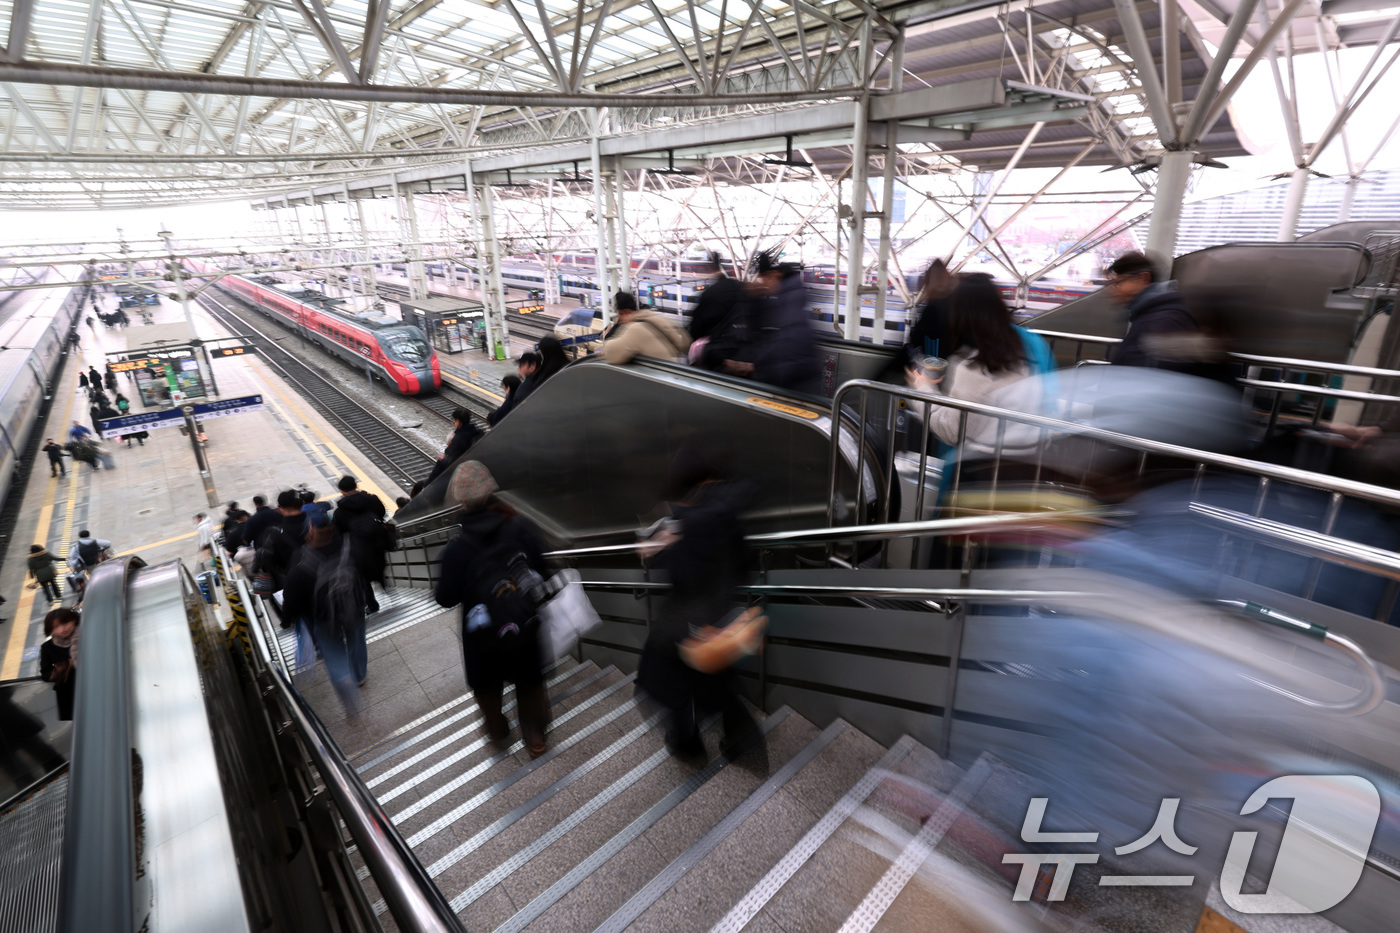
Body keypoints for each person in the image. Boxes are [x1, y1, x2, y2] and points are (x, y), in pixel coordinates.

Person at [636, 444, 762, 758]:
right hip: (722, 609)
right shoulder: (727, 506)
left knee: (664, 679)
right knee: (714, 677)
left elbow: (680, 573)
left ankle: (687, 744)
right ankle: (739, 739)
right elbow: (746, 561)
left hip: (687, 616)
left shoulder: (687, 521)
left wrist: (657, 550)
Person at [434, 461, 550, 757]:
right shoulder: (519, 526)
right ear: (491, 490)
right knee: (529, 682)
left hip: (482, 634)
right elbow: (545, 570)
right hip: (523, 625)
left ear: (461, 500)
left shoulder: (456, 549)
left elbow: (445, 598)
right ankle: (535, 736)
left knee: (487, 688)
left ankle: (497, 729)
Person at [905, 273, 1044, 456]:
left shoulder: (973, 368)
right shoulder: (1021, 355)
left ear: (961, 316)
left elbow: (950, 429)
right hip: (1022, 463)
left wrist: (922, 388)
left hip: (982, 470)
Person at [282, 508, 368, 715]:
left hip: (322, 616)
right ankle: (360, 675)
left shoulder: (301, 561)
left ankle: (345, 681)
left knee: (333, 652)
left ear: (310, 529)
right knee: (356, 639)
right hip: (353, 607)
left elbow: (291, 597)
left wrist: (287, 620)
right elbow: (368, 568)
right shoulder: (350, 546)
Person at [725, 250, 820, 394]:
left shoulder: (788, 303)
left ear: (775, 275)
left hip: (795, 387)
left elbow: (787, 347)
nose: (764, 284)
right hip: (795, 382)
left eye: (765, 279)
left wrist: (753, 366)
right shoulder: (787, 299)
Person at [1106, 251, 1198, 368]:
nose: (1114, 291)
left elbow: (1147, 377)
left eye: (1118, 283)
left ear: (1143, 278)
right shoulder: (1152, 314)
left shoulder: (1161, 322)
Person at [332, 475, 392, 613]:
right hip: (377, 541)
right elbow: (382, 513)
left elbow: (339, 533)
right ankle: (386, 588)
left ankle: (372, 605)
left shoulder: (340, 512)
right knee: (379, 565)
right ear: (356, 485)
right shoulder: (372, 499)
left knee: (361, 577)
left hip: (357, 548)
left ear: (341, 491)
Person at [601, 290, 691, 365]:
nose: (619, 320)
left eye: (619, 315)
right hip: (680, 372)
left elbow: (612, 354)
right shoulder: (659, 319)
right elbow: (686, 343)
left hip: (665, 378)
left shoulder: (635, 329)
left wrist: (606, 336)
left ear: (626, 312)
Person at [906, 258, 956, 360]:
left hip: (935, 363)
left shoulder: (932, 309)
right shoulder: (953, 305)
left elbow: (916, 339)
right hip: (947, 359)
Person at [687, 252, 741, 344]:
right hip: (739, 342)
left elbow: (697, 327)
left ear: (711, 267)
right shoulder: (737, 286)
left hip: (718, 345)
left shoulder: (709, 294)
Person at [40, 608, 80, 721]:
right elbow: (45, 673)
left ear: (74, 620)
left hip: (97, 689)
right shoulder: (47, 648)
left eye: (65, 623)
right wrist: (65, 667)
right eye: (55, 627)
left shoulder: (88, 635)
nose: (62, 629)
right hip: (69, 696)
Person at [427, 407, 484, 484]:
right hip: (474, 466)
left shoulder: (459, 438)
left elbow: (452, 461)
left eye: (454, 420)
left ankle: (426, 486)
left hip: (460, 471)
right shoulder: (478, 432)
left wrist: (443, 459)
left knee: (440, 462)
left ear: (458, 422)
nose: (453, 422)